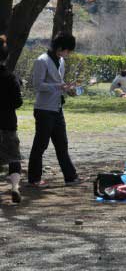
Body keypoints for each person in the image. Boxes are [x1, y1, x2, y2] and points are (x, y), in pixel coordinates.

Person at [28, 33, 80, 187]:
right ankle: (34, 179)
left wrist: (68, 89)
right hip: (44, 109)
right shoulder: (41, 61)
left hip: (57, 108)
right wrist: (59, 87)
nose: (68, 54)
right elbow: (37, 86)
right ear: (60, 48)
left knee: (62, 144)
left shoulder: (61, 61)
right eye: (68, 50)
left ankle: (70, 177)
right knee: (41, 145)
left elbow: (59, 82)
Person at [0, 36, 24, 203]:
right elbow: (18, 102)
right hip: (8, 123)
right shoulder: (10, 77)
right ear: (6, 56)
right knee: (14, 158)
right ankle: (15, 187)